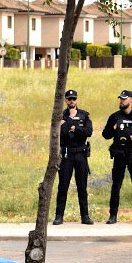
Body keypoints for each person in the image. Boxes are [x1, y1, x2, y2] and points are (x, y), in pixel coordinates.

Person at [102, 89, 132, 224]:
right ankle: (113, 216)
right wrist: (113, 128)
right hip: (119, 154)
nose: (121, 101)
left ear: (131, 101)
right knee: (116, 185)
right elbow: (105, 135)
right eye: (120, 99)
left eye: (124, 99)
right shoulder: (114, 117)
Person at [54, 89, 94, 225]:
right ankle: (59, 216)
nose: (72, 101)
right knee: (63, 186)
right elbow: (58, 132)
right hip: (66, 154)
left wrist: (72, 127)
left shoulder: (84, 115)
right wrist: (74, 127)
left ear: (77, 100)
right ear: (65, 100)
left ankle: (85, 216)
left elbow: (88, 132)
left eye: (74, 99)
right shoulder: (60, 115)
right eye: (69, 99)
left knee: (82, 186)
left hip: (81, 154)